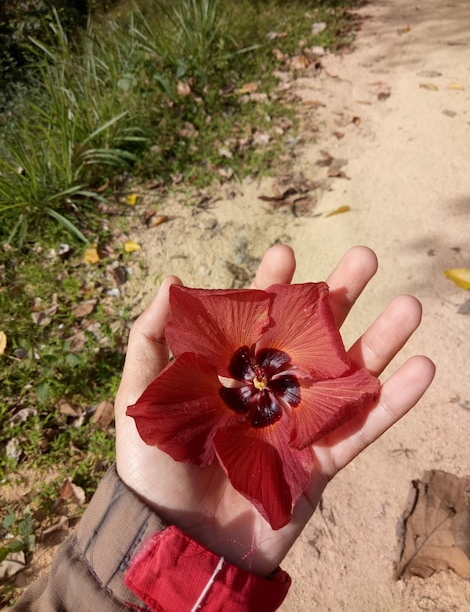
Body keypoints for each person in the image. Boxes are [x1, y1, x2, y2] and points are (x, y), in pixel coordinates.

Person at [13, 245, 435, 612]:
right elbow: (196, 313)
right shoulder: (233, 386)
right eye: (255, 381)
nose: (257, 382)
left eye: (260, 381)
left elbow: (336, 372)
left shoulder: (273, 379)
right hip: (255, 416)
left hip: (274, 398)